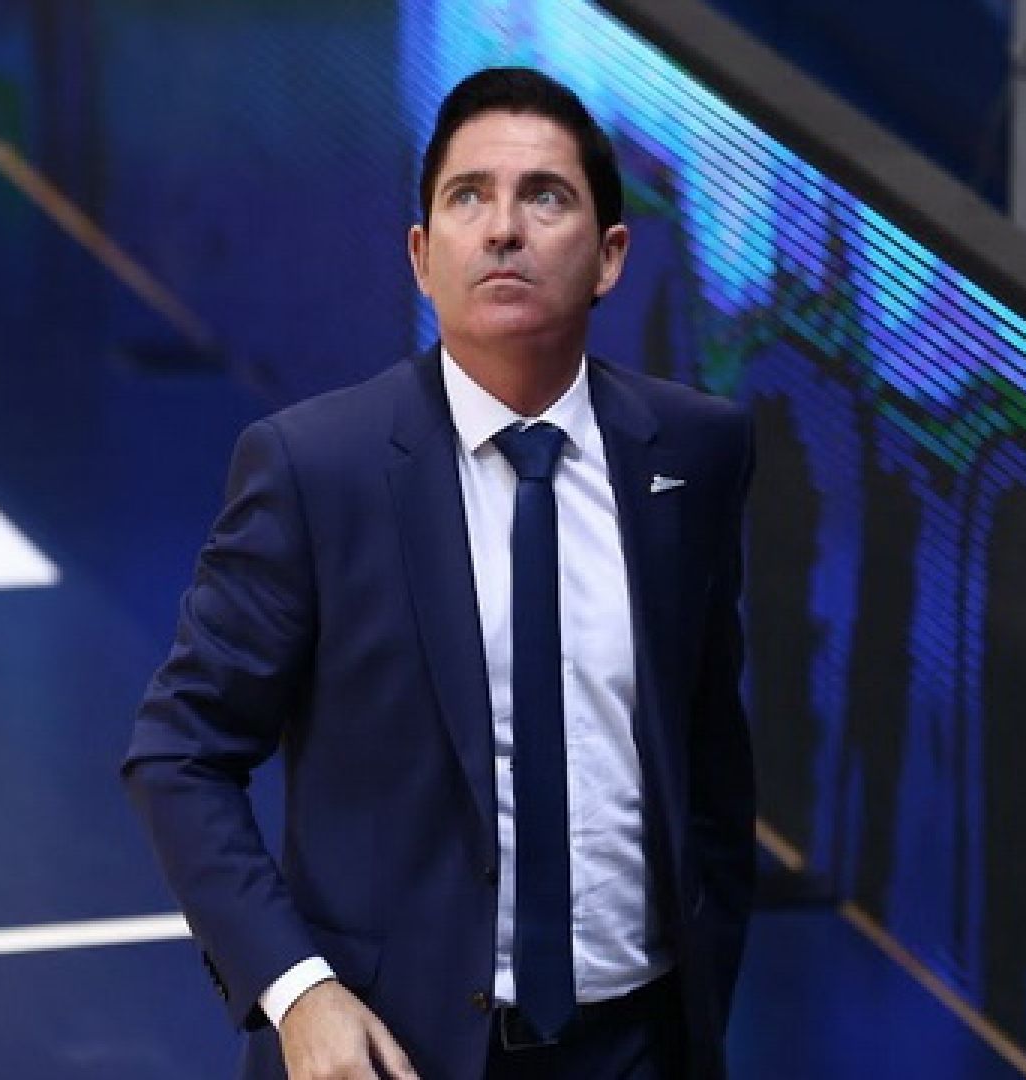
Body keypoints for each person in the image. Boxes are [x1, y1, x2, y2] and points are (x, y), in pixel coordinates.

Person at [123, 67, 755, 1080]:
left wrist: (706, 974)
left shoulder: (694, 451)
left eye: (544, 197)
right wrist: (298, 991)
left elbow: (709, 750)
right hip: (396, 1058)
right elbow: (180, 753)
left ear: (610, 256)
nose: (503, 229)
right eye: (469, 197)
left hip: (642, 1048)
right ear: (422, 256)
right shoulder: (315, 469)